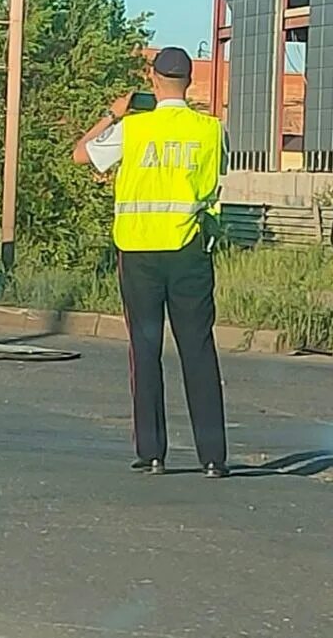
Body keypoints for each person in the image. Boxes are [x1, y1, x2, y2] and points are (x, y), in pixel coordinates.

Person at [71, 46, 230, 479]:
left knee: (145, 349)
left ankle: (154, 452)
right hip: (189, 251)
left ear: (153, 80)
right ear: (191, 82)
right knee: (197, 348)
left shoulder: (135, 129)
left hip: (139, 254)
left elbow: (81, 154)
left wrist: (113, 112)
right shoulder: (211, 130)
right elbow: (216, 183)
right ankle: (213, 457)